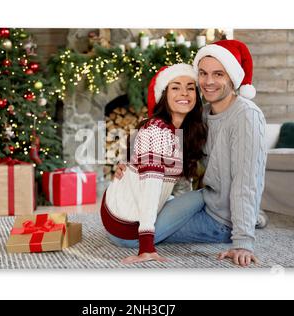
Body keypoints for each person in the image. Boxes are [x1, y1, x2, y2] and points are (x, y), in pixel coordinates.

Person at [114, 40, 267, 267]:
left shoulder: (246, 116)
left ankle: (247, 220)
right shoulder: (202, 113)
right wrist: (130, 161)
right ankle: (251, 215)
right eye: (203, 74)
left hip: (220, 219)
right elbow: (162, 134)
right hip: (207, 199)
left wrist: (243, 241)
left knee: (126, 237)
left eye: (218, 74)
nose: (209, 82)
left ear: (233, 78)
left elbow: (246, 182)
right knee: (126, 224)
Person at [100, 64, 208, 264]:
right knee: (205, 195)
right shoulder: (157, 131)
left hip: (117, 216)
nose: (184, 92)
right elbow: (150, 187)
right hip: (126, 229)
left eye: (190, 87)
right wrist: (147, 248)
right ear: (164, 95)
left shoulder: (179, 132)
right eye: (175, 87)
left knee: (191, 204)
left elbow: (177, 184)